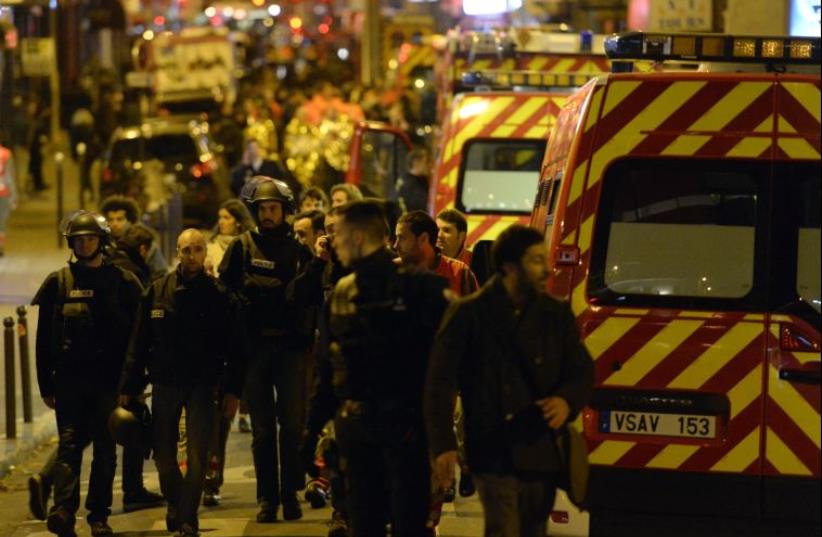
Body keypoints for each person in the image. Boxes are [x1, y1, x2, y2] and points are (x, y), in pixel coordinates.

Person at [425, 225, 594, 537]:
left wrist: (566, 400)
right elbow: (439, 382)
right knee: (504, 526)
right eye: (535, 261)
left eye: (545, 260)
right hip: (493, 447)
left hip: (541, 448)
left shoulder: (555, 314)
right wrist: (443, 446)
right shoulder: (469, 313)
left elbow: (581, 370)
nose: (546, 269)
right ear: (509, 267)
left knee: (533, 529)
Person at [326, 200, 450, 537]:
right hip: (363, 429)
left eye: (338, 235)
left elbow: (445, 372)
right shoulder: (344, 289)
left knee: (404, 520)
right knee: (368, 521)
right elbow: (332, 366)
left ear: (358, 237)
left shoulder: (423, 290)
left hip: (403, 428)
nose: (333, 242)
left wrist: (445, 441)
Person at [119, 229, 244, 537]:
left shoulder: (219, 295)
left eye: (198, 250)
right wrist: (128, 386)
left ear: (205, 254)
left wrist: (233, 390)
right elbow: (139, 342)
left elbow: (236, 347)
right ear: (177, 252)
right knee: (163, 455)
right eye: (186, 250)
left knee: (199, 455)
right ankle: (177, 502)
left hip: (204, 385)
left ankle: (187, 519)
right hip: (166, 383)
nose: (192, 256)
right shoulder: (157, 291)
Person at [31, 211, 144, 537]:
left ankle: (98, 515)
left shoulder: (122, 282)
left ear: (101, 241)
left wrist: (133, 382)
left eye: (91, 238)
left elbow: (138, 336)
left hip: (109, 383)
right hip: (70, 383)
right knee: (69, 447)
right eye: (79, 240)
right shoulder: (59, 282)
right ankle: (63, 511)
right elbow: (44, 341)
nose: (85, 244)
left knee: (106, 452)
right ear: (72, 243)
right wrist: (45, 384)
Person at [219, 176, 314, 522]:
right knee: (261, 430)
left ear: (285, 211)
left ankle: (290, 495)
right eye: (263, 209)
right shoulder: (242, 247)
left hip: (289, 350)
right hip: (255, 349)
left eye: (273, 208)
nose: (268, 215)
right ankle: (266, 499)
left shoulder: (299, 251)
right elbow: (225, 295)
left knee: (291, 426)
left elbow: (310, 298)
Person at [394, 211, 478, 297]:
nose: (395, 245)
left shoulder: (461, 272)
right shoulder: (392, 269)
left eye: (402, 238)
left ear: (423, 239)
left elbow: (475, 308)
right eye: (438, 230)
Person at [100, 195, 168, 280]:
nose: (115, 224)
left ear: (130, 220)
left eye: (120, 219)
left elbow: (160, 274)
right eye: (111, 219)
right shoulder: (104, 243)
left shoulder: (144, 242)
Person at [230, 139, 298, 199]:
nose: (253, 150)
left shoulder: (271, 165)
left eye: (255, 147)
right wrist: (243, 165)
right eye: (250, 148)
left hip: (271, 196)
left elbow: (282, 180)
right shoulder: (245, 168)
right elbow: (236, 186)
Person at [205, 199, 255, 277]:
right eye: (220, 217)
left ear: (238, 222)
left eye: (226, 218)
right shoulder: (210, 248)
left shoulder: (249, 247)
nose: (221, 222)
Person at [396, 148, 430, 213]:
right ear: (416, 162)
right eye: (426, 162)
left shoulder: (423, 181)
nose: (429, 165)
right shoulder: (405, 183)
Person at [0, 141, 17, 257]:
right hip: (3, 191)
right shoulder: (5, 154)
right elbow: (9, 176)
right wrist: (14, 196)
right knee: (1, 221)